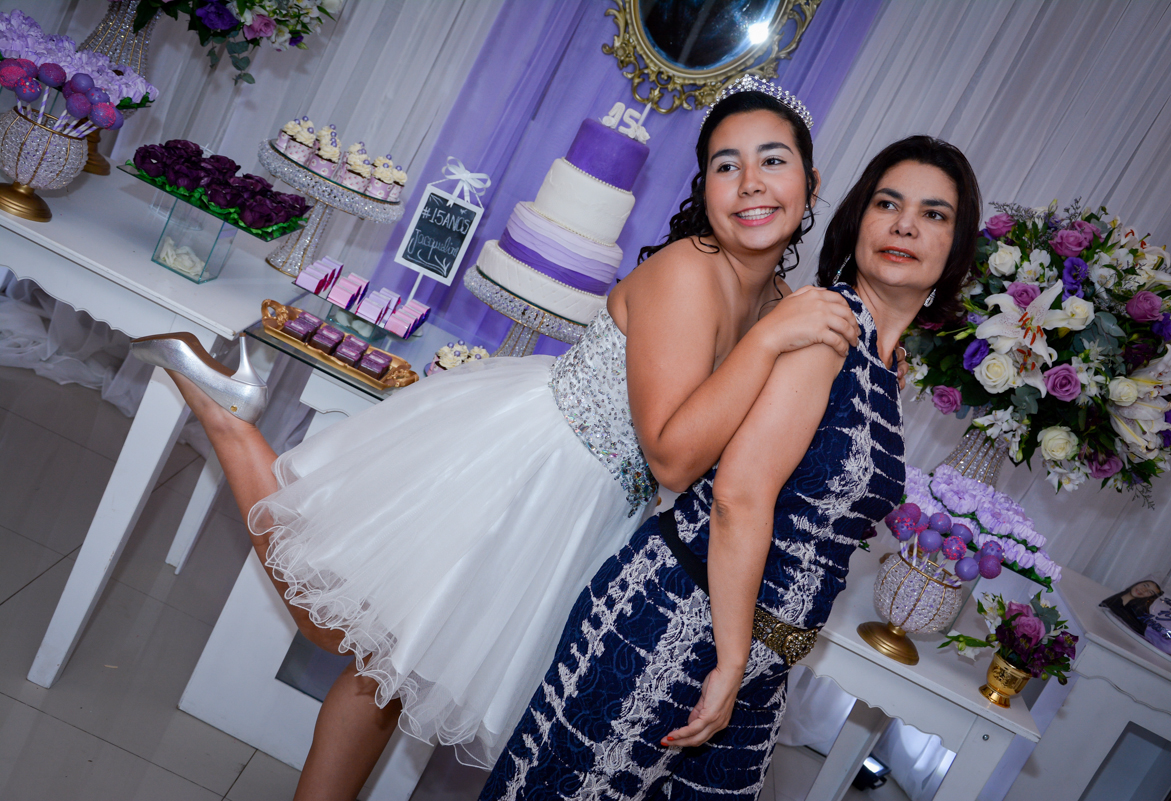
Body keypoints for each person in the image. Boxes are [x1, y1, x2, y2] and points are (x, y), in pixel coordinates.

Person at [129, 78, 865, 801]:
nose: (749, 183)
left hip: (596, 510)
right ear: (703, 186)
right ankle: (229, 415)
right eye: (725, 165)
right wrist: (770, 340)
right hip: (534, 465)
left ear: (810, 178)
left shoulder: (773, 300)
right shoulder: (690, 272)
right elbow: (673, 453)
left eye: (772, 160)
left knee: (386, 673)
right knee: (337, 632)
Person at [481, 134, 982, 800]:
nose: (906, 224)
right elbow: (740, 495)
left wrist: (753, 662)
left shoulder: (887, 365)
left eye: (934, 213)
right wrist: (734, 656)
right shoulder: (828, 331)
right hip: (676, 627)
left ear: (955, 248)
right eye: (887, 203)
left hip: (755, 658)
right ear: (858, 218)